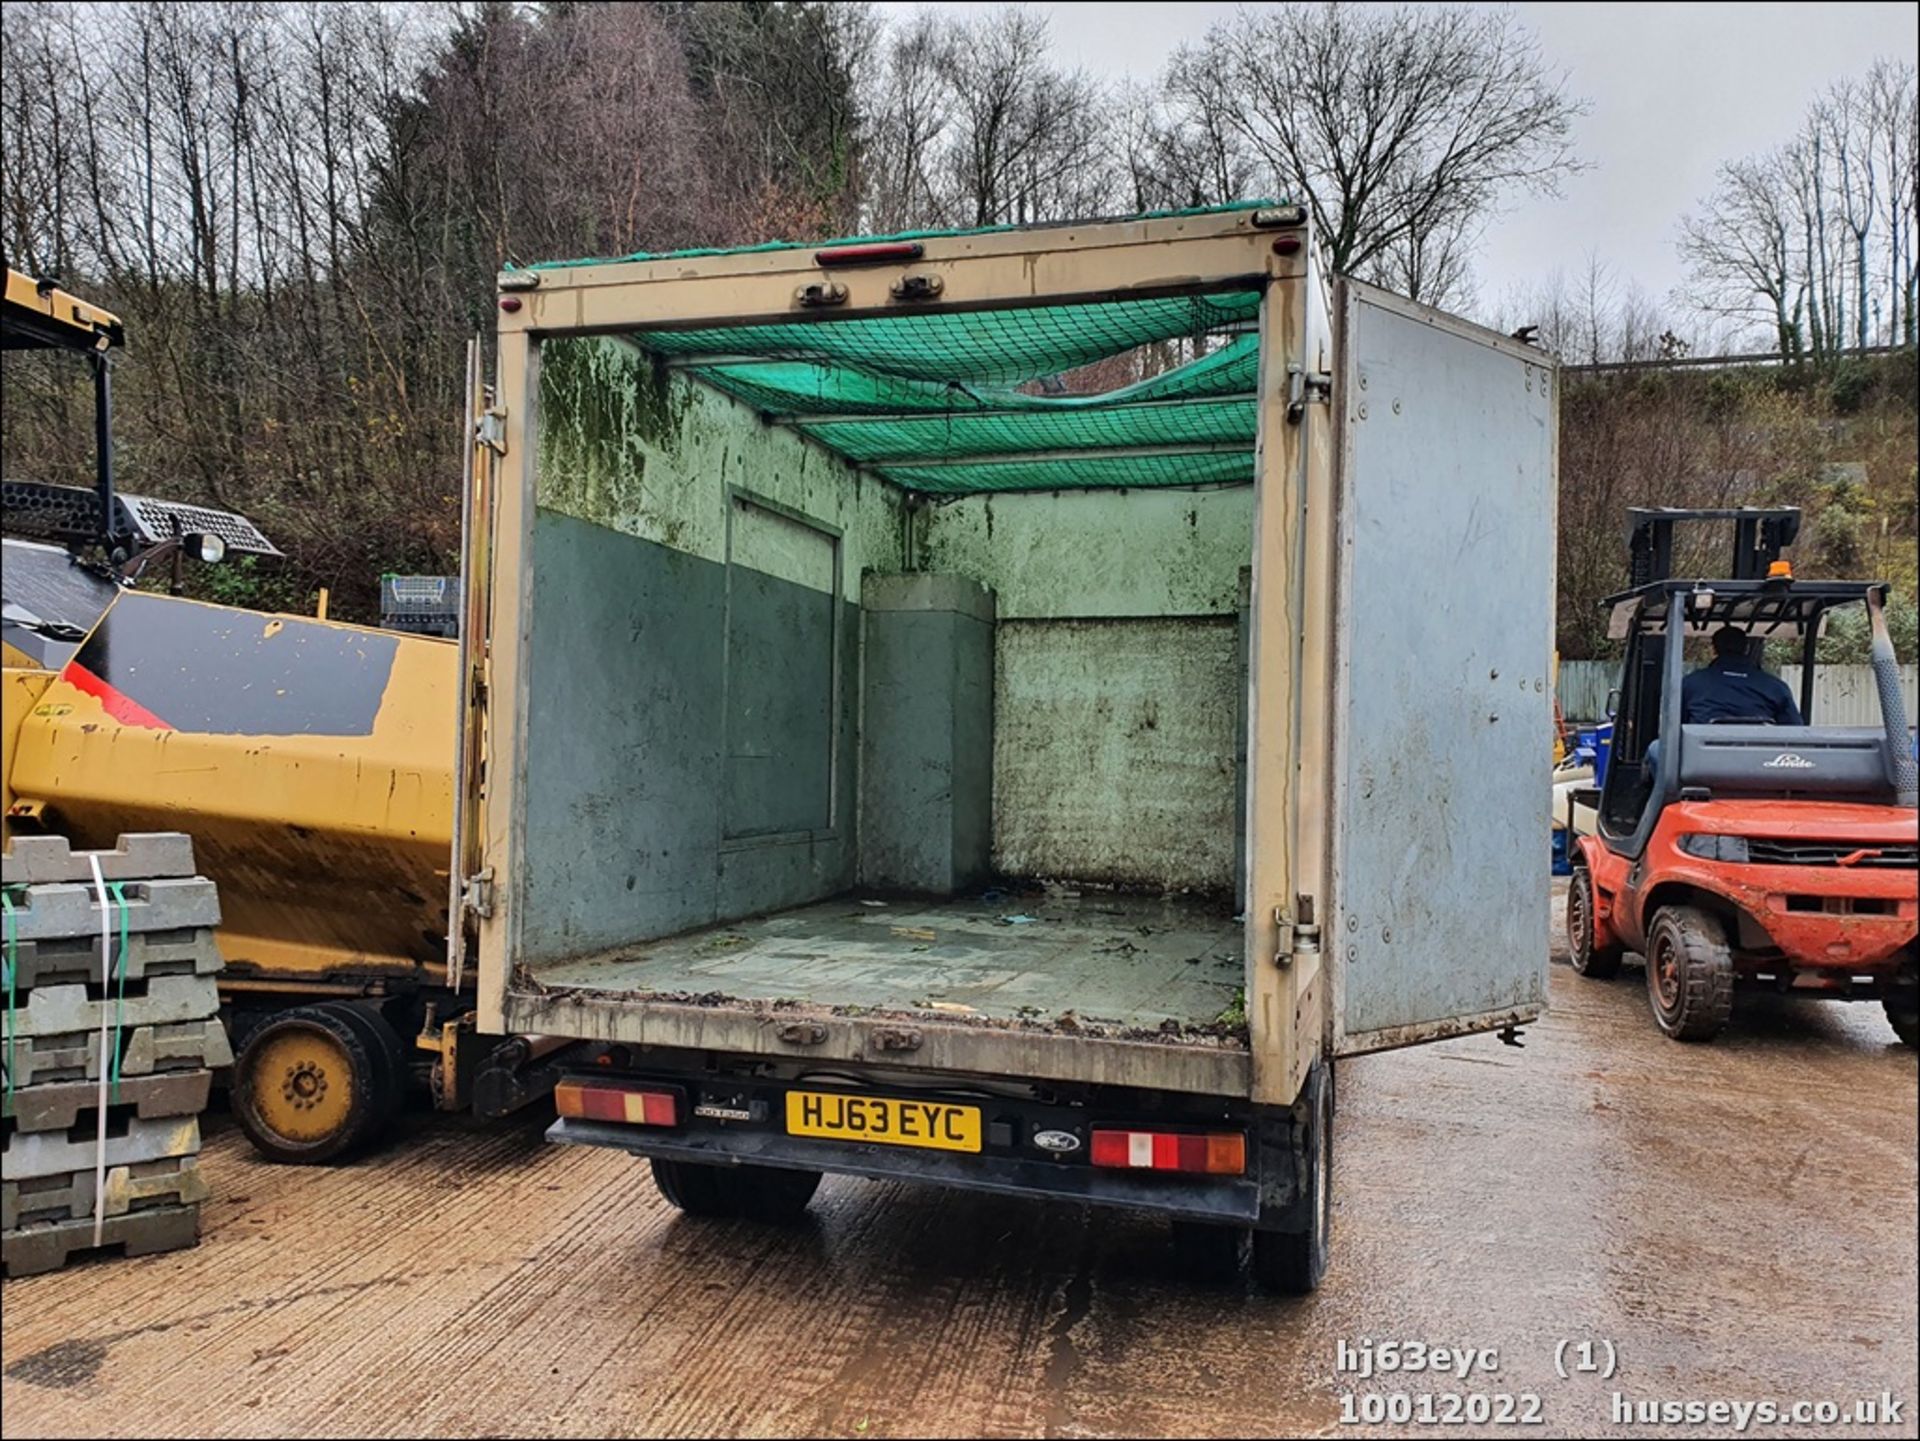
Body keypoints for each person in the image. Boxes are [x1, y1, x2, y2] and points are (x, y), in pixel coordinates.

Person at [1681, 625, 1803, 725]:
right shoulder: (1776, 687)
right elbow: (1794, 730)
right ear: (1746, 648)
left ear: (1714, 649)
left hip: (1700, 753)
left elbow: (1675, 724)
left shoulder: (1691, 684)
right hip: (1761, 752)